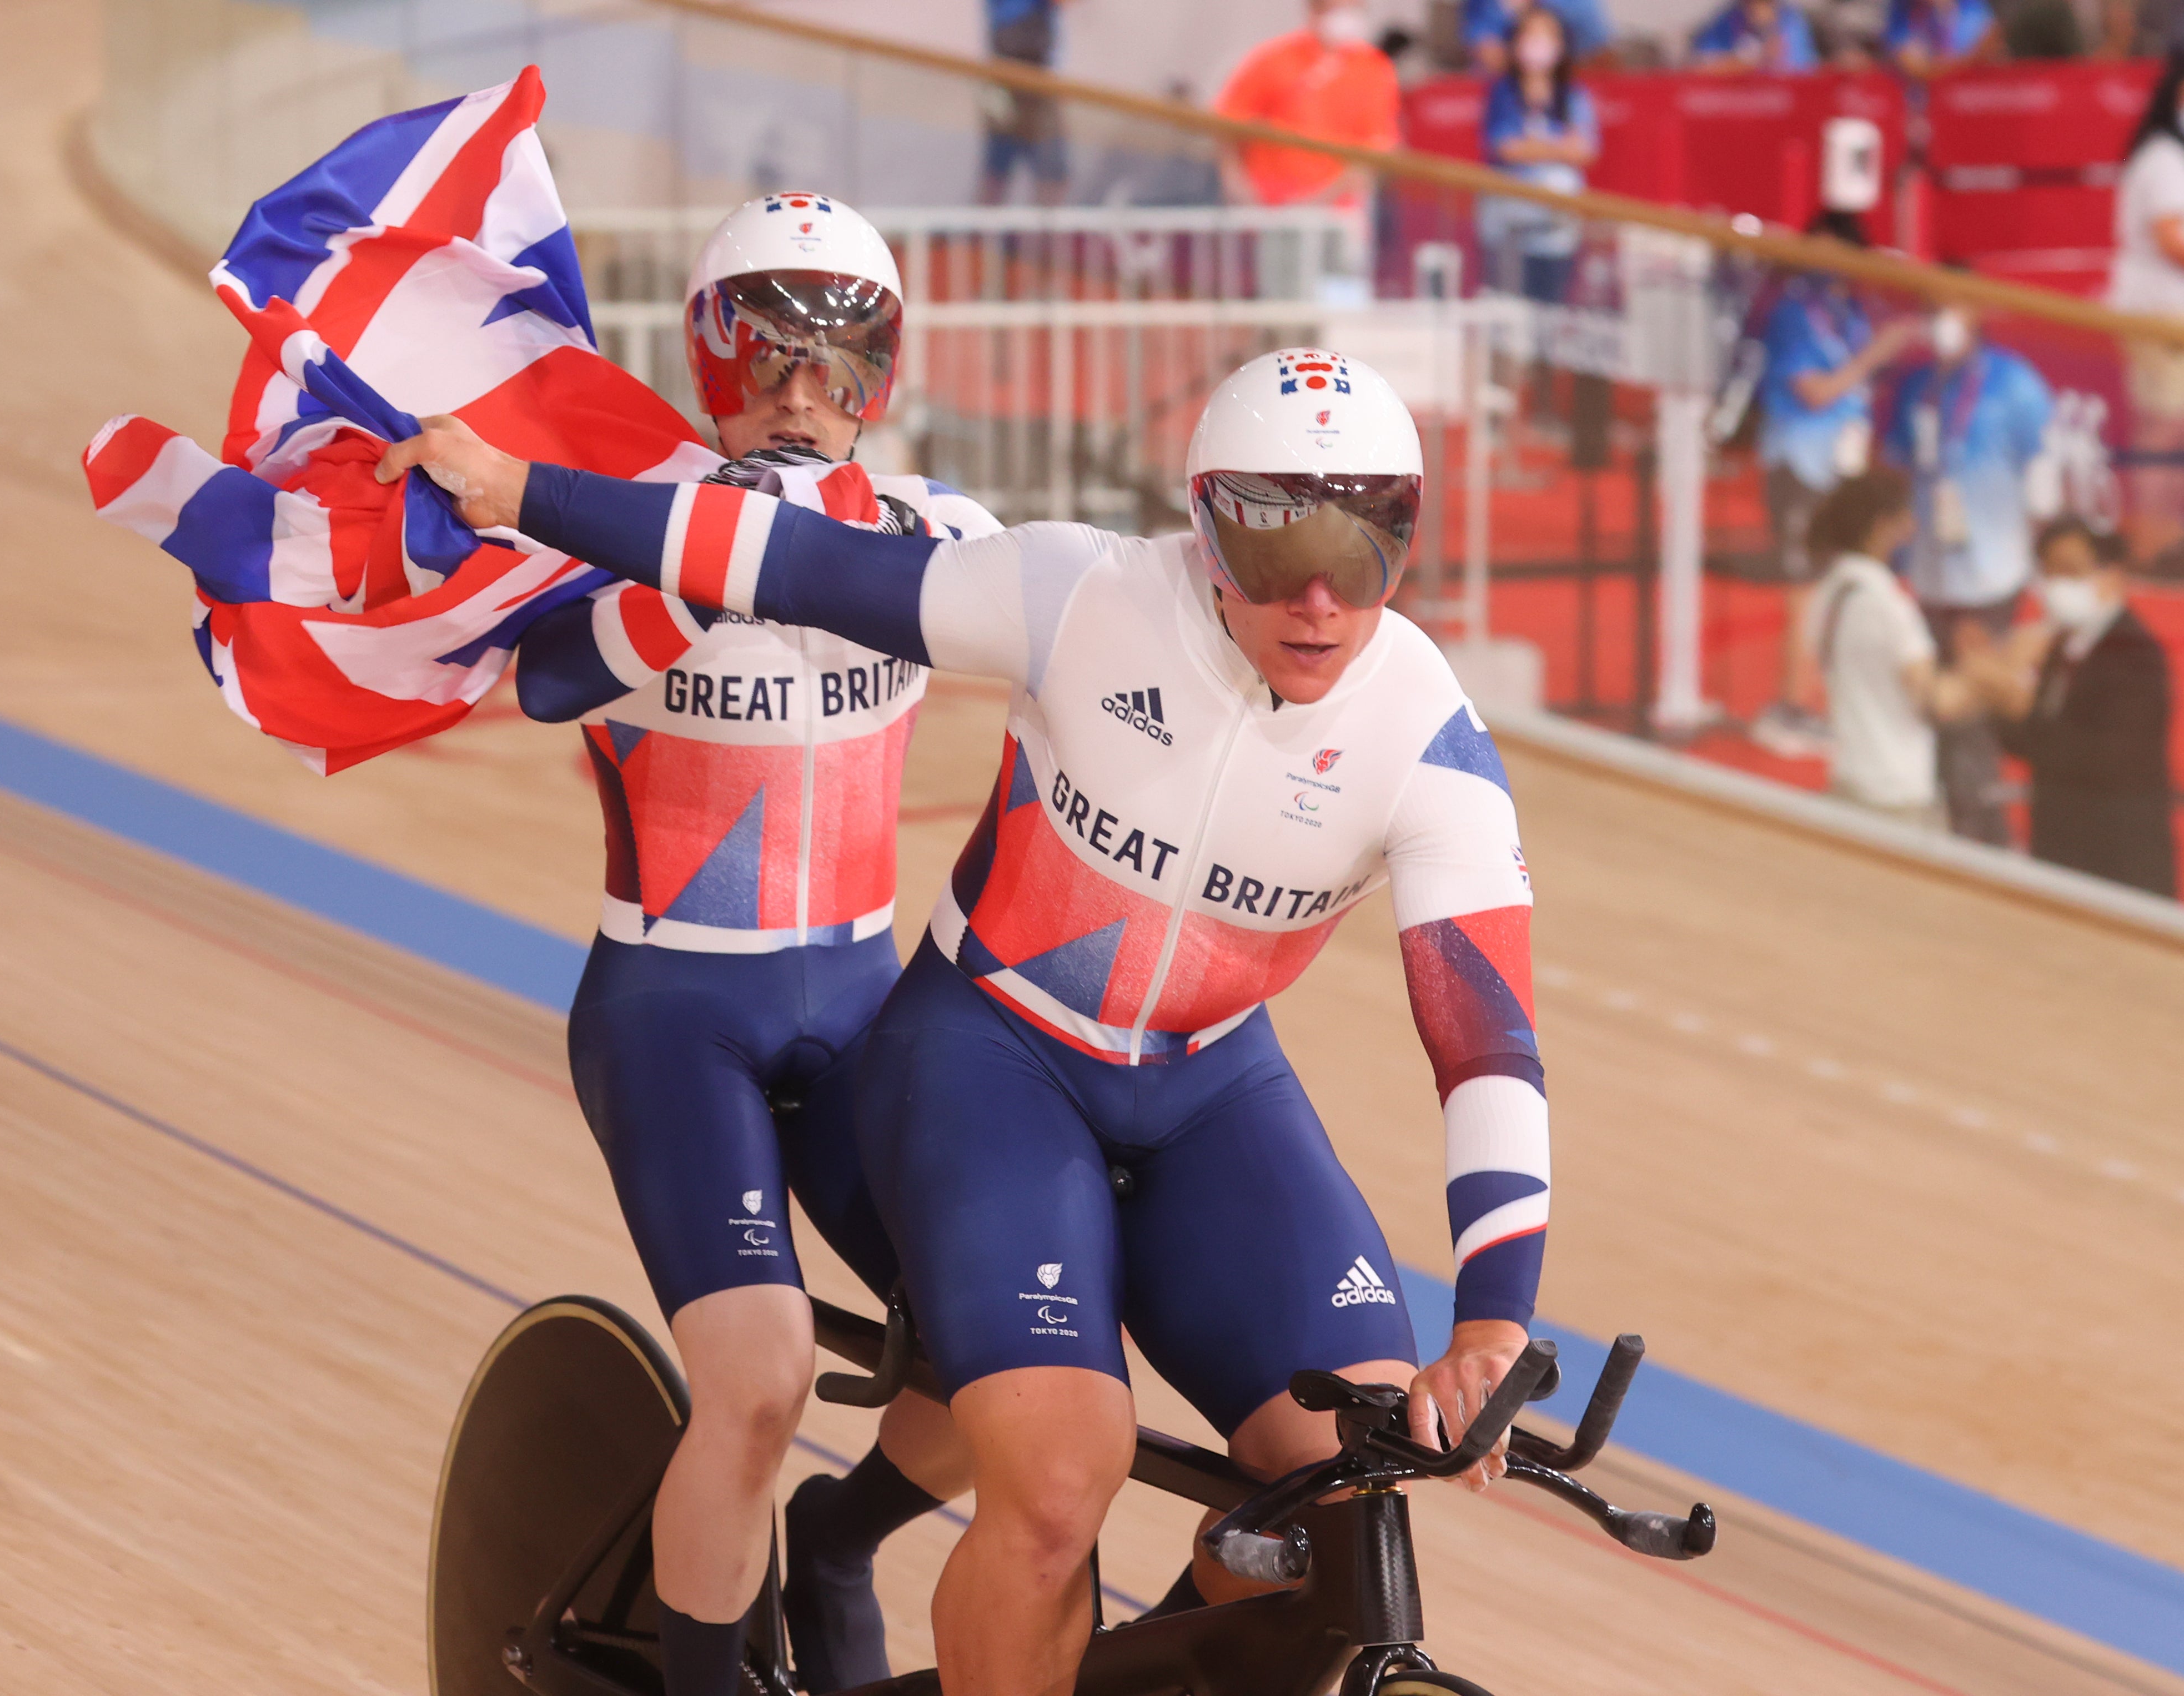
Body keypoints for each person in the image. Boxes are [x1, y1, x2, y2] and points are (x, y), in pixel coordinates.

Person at [379, 346, 1552, 1696]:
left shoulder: (1428, 739)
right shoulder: (1080, 595)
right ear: (1201, 519)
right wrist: (517, 485)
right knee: (1060, 1481)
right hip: (990, 1056)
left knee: (1343, 1485)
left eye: (1360, 549)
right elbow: (788, 561)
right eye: (1271, 539)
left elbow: (1484, 1043)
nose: (1314, 595)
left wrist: (1489, 1320)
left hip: (1211, 1091)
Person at [506, 193, 997, 1696]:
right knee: (760, 1373)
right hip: (671, 1016)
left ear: (885, 377)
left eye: (840, 365)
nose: (801, 395)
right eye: (765, 356)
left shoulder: (937, 534)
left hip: (858, 1004)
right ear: (707, 362)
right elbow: (539, 679)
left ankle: (835, 1541)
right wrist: (675, 597)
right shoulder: (626, 529)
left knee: (1018, 1355)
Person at [1746, 218, 1921, 758]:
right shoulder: (1795, 313)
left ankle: (1814, 704)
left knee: (1827, 589)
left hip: (1838, 467)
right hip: (1798, 465)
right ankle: (1789, 708)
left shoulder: (1852, 311)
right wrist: (1875, 356)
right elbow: (1816, 391)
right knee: (1801, 593)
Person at [1882, 304, 2055, 842]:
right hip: (1929, 574)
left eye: (1949, 310)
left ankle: (1982, 834)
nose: (1939, 323)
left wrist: (2043, 567)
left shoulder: (2014, 382)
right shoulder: (1917, 386)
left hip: (1990, 574)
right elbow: (1895, 463)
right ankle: (1944, 822)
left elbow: (2042, 473)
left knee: (1973, 713)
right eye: (1930, 311)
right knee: (1934, 706)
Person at [1967, 520, 2178, 894]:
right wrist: (1997, 696)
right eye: (2047, 572)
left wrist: (2020, 708)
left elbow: (2112, 757)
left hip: (2117, 859)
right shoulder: (2061, 646)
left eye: (2069, 571)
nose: (2055, 585)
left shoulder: (2135, 653)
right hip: (2059, 849)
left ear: (2111, 576)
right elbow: (2030, 740)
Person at [1805, 467, 1982, 825]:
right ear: (1882, 525)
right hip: (1897, 794)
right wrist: (1989, 673)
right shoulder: (1889, 608)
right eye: (1906, 514)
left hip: (1849, 778)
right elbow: (1937, 700)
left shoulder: (1824, 595)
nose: (1914, 525)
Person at [1214, 0, 1403, 210]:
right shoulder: (1271, 59)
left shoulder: (1374, 69)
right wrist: (1240, 190)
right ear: (1315, 9)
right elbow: (1228, 126)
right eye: (1339, 9)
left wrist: (1319, 200)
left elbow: (1376, 148)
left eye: (1356, 9)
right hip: (1266, 208)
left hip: (1336, 213)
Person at [2110, 53, 2184, 569]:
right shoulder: (2162, 158)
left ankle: (2166, 540)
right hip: (2158, 320)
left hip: (2171, 322)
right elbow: (2171, 239)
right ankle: (2151, 546)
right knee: (2161, 432)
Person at [1479, 6, 1600, 305]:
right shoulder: (1504, 93)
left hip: (1556, 228)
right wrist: (1559, 148)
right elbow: (1506, 147)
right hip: (1508, 221)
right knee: (1507, 304)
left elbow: (1585, 150)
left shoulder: (1572, 96)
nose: (1538, 44)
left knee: (1549, 305)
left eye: (1546, 37)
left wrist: (1536, 146)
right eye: (1530, 36)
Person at [982, 0, 1072, 205]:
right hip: (1022, 75)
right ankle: (989, 233)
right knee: (1001, 174)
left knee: (1050, 176)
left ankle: (1036, 234)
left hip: (1029, 75)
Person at [1462, 0, 1612, 72]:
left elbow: (1603, 60)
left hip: (1570, 96)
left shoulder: (1580, 6)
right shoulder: (1482, 6)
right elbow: (1489, 57)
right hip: (1499, 98)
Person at [1689, 0, 1823, 67]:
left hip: (1781, 105)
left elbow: (1806, 70)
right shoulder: (1726, 20)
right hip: (1738, 105)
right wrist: (1741, 62)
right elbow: (1701, 66)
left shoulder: (1791, 20)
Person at [1885, 0, 1998, 72]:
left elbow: (1987, 42)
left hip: (1968, 93)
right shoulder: (1900, 9)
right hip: (1920, 98)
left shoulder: (1970, 6)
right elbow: (1909, 63)